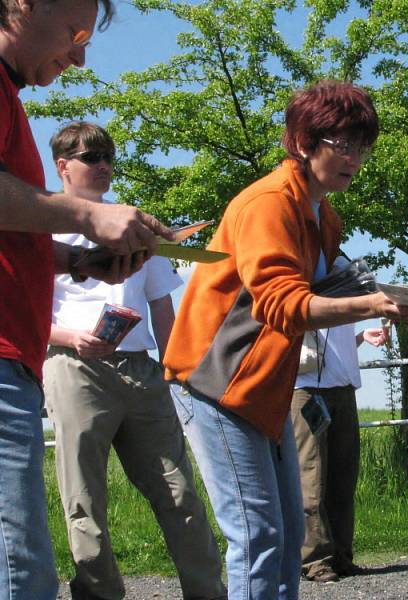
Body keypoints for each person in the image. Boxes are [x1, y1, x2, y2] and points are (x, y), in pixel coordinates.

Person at [162, 80, 408, 599]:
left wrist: (400, 297)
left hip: (264, 385)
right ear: (304, 142)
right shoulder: (269, 203)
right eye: (343, 145)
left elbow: (317, 294)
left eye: (363, 146)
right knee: (258, 535)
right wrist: (373, 303)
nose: (355, 158)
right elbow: (281, 305)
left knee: (286, 537)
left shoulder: (322, 214)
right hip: (215, 382)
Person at [0, 2, 174, 597]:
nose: (80, 55)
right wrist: (84, 216)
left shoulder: (9, 99)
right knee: (21, 569)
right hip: (12, 362)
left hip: (19, 362)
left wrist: (79, 260)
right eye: (76, 34)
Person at [42, 121, 226, 600]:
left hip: (141, 370)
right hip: (72, 367)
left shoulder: (137, 226)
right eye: (91, 157)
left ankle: (208, 594)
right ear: (63, 166)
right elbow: (23, 312)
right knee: (84, 500)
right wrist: (71, 337)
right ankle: (100, 594)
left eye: (108, 157)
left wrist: (182, 372)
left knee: (180, 493)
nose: (103, 165)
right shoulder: (41, 227)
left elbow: (162, 306)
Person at [291, 259, 391, 582]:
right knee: (312, 475)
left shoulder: (345, 264)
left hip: (343, 384)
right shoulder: (296, 259)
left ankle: (341, 556)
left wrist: (360, 337)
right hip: (305, 386)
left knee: (343, 475)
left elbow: (336, 333)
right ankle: (315, 560)